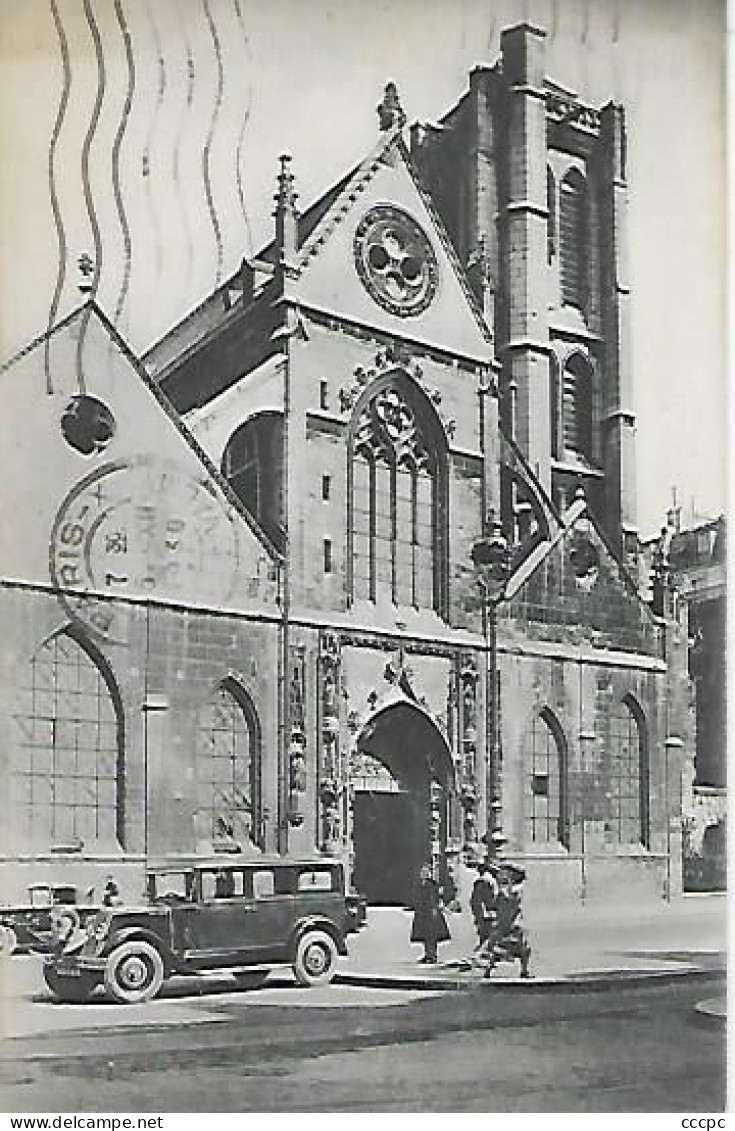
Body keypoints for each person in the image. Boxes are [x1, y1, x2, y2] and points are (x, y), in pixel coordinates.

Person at [482, 867, 532, 978]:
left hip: (510, 925)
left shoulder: (515, 891)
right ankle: (488, 970)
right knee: (497, 948)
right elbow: (497, 905)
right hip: (505, 925)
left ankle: (523, 971)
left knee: (523, 949)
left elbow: (509, 903)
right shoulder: (505, 893)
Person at [410, 864, 450, 964]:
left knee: (431, 935)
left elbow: (433, 898)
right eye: (422, 872)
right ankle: (428, 954)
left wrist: (434, 909)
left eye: (426, 872)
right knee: (424, 935)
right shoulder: (420, 884)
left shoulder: (431, 884)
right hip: (422, 913)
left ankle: (432, 955)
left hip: (430, 913)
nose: (423, 874)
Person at [470, 860, 498, 951]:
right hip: (490, 912)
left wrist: (478, 913)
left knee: (485, 933)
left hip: (485, 912)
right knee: (488, 933)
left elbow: (477, 900)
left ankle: (484, 953)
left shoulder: (482, 881)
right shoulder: (491, 880)